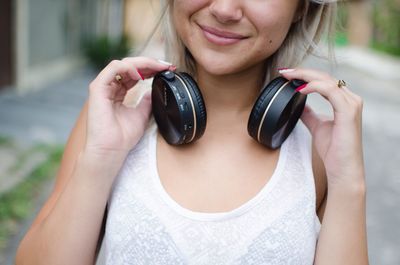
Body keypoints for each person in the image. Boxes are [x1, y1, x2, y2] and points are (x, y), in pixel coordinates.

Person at [16, 0, 368, 264]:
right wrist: (100, 160)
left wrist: (348, 183)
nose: (226, 9)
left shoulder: (319, 152)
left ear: (302, 9)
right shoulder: (114, 117)